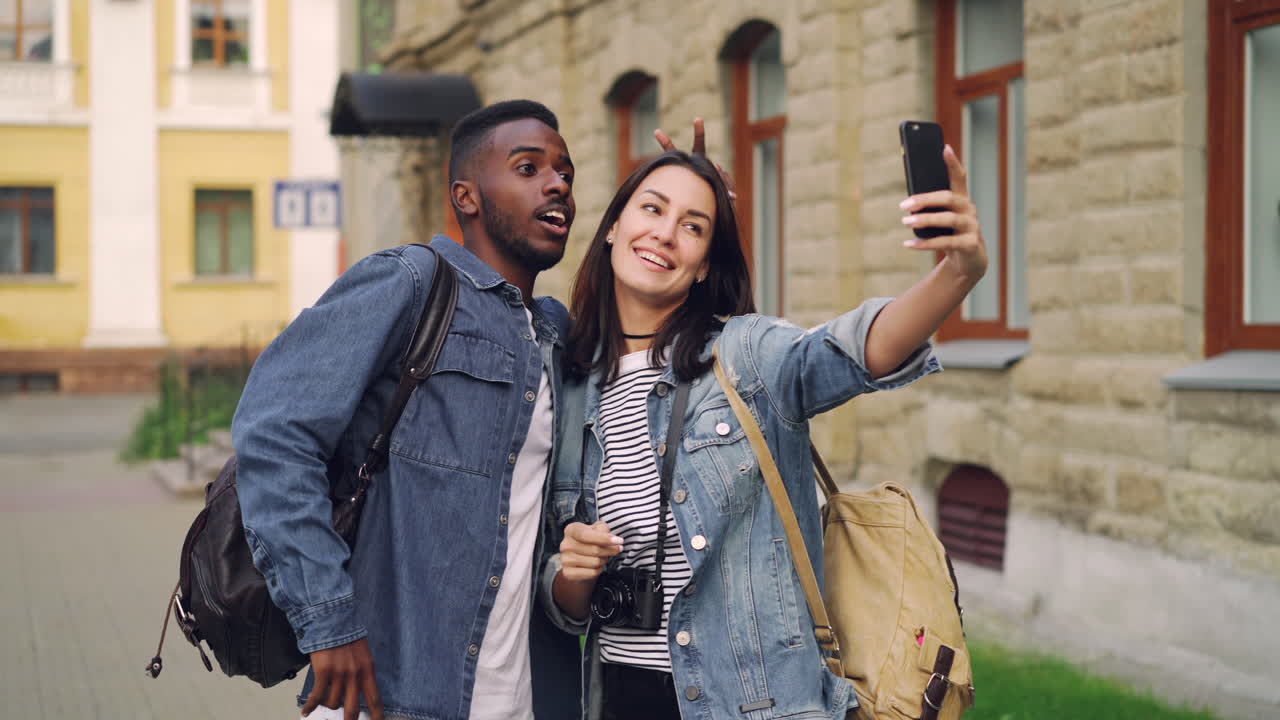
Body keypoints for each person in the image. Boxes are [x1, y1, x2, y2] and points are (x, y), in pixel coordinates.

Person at [540, 144, 987, 719]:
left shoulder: (746, 355)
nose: (665, 234)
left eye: (693, 226)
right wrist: (573, 575)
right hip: (616, 699)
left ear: (705, 264)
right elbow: (563, 600)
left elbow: (853, 352)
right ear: (613, 228)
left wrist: (957, 273)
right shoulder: (571, 383)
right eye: (652, 209)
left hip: (752, 703)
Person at [233, 99, 582, 720]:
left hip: (523, 697)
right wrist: (328, 620)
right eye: (528, 168)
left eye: (565, 173)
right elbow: (274, 436)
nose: (557, 184)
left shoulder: (556, 334)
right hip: (391, 691)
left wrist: (702, 223)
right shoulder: (410, 284)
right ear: (466, 197)